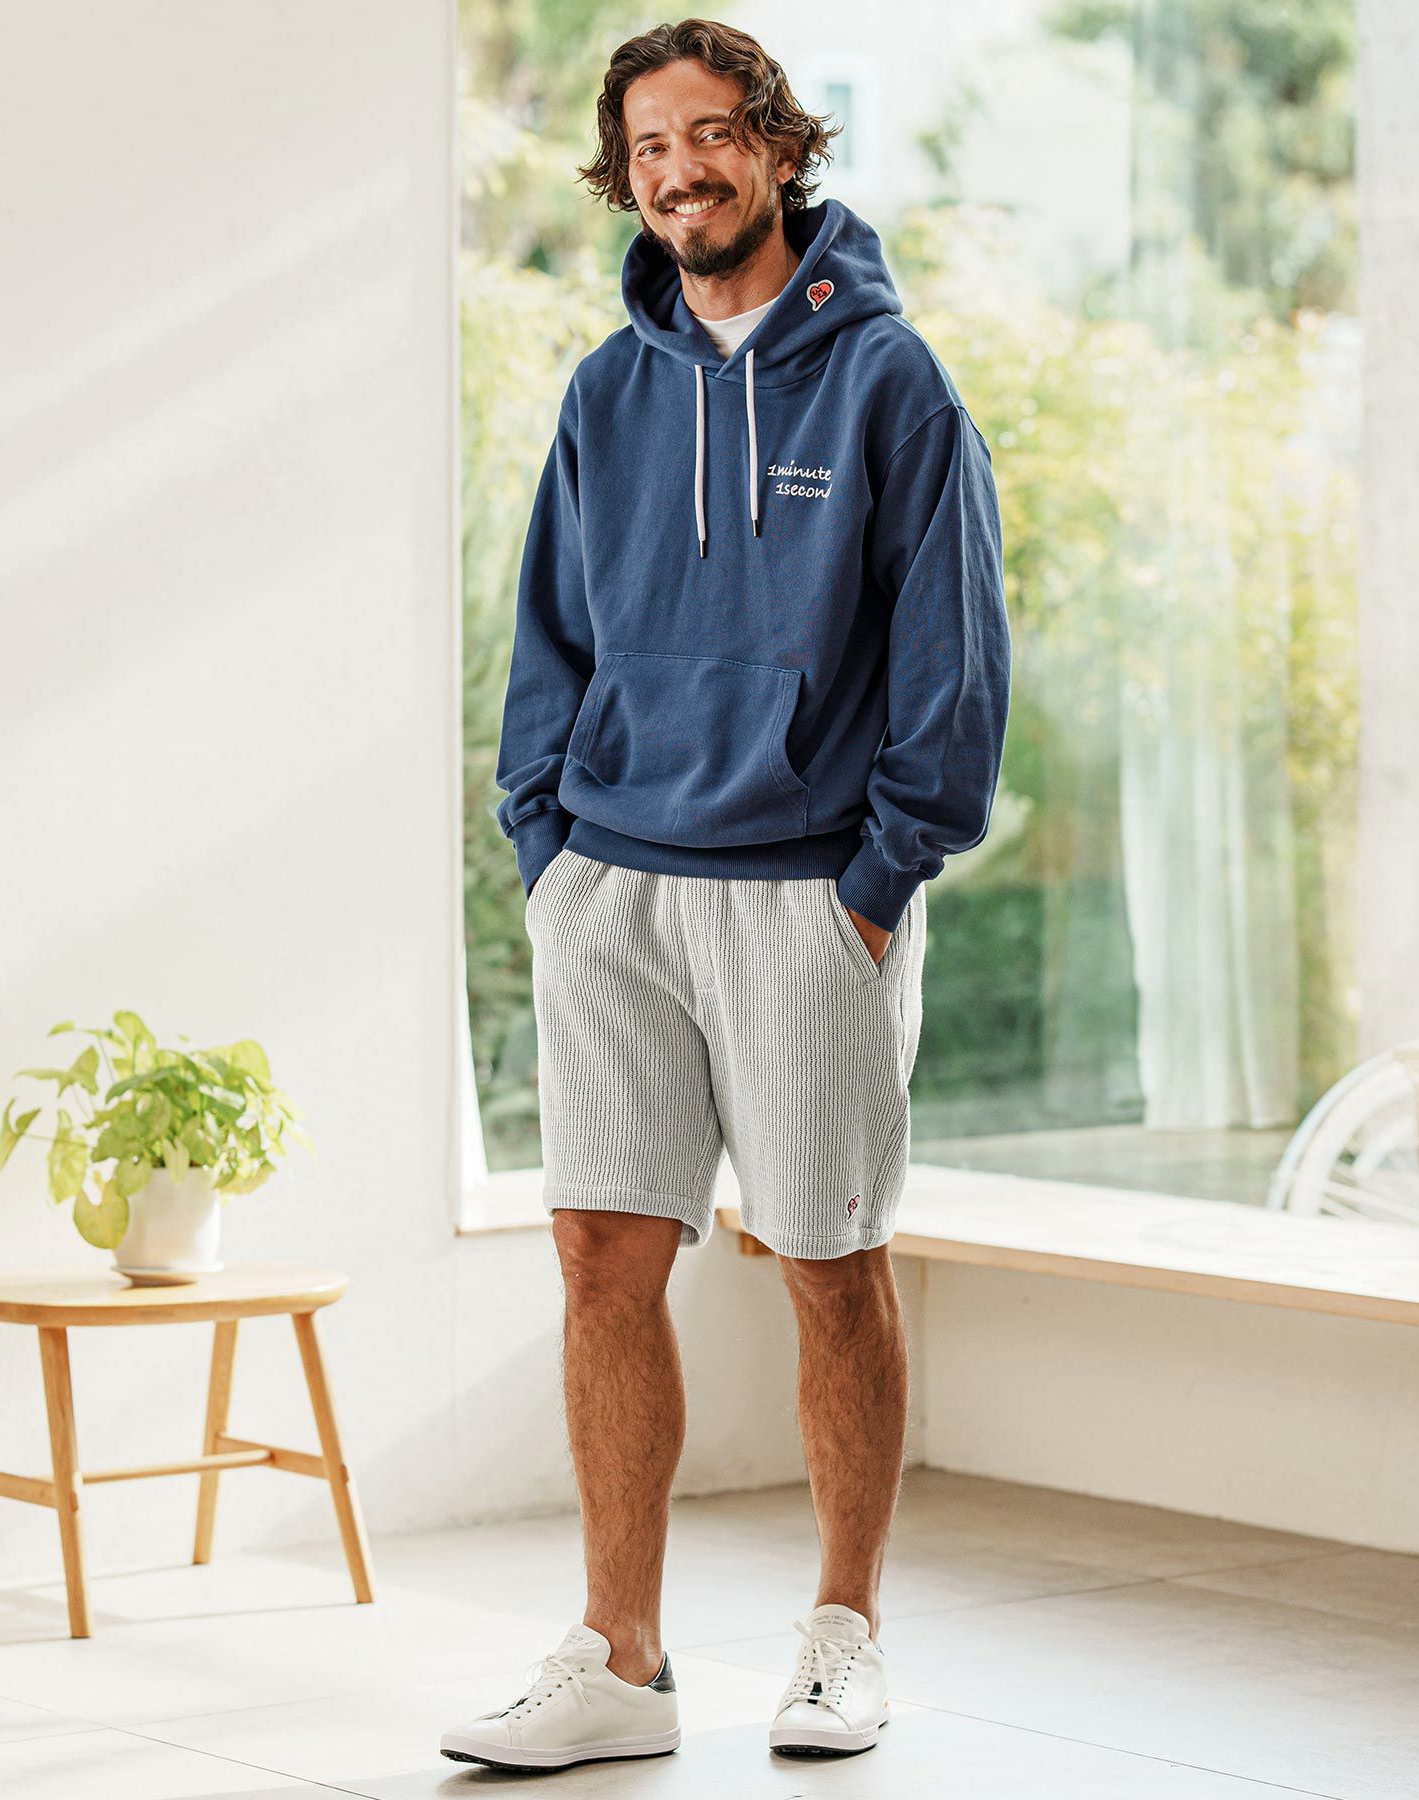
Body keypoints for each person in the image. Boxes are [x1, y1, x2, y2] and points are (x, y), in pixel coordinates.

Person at [440, 15, 1011, 1776]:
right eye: (649, 148)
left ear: (773, 143)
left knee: (828, 1264)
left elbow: (956, 661)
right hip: (613, 883)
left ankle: (844, 1639)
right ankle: (620, 1661)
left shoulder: (892, 383)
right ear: (627, 179)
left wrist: (879, 879)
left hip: (804, 895)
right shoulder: (607, 394)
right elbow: (546, 638)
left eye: (708, 133)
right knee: (600, 1260)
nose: (680, 170)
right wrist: (547, 854)